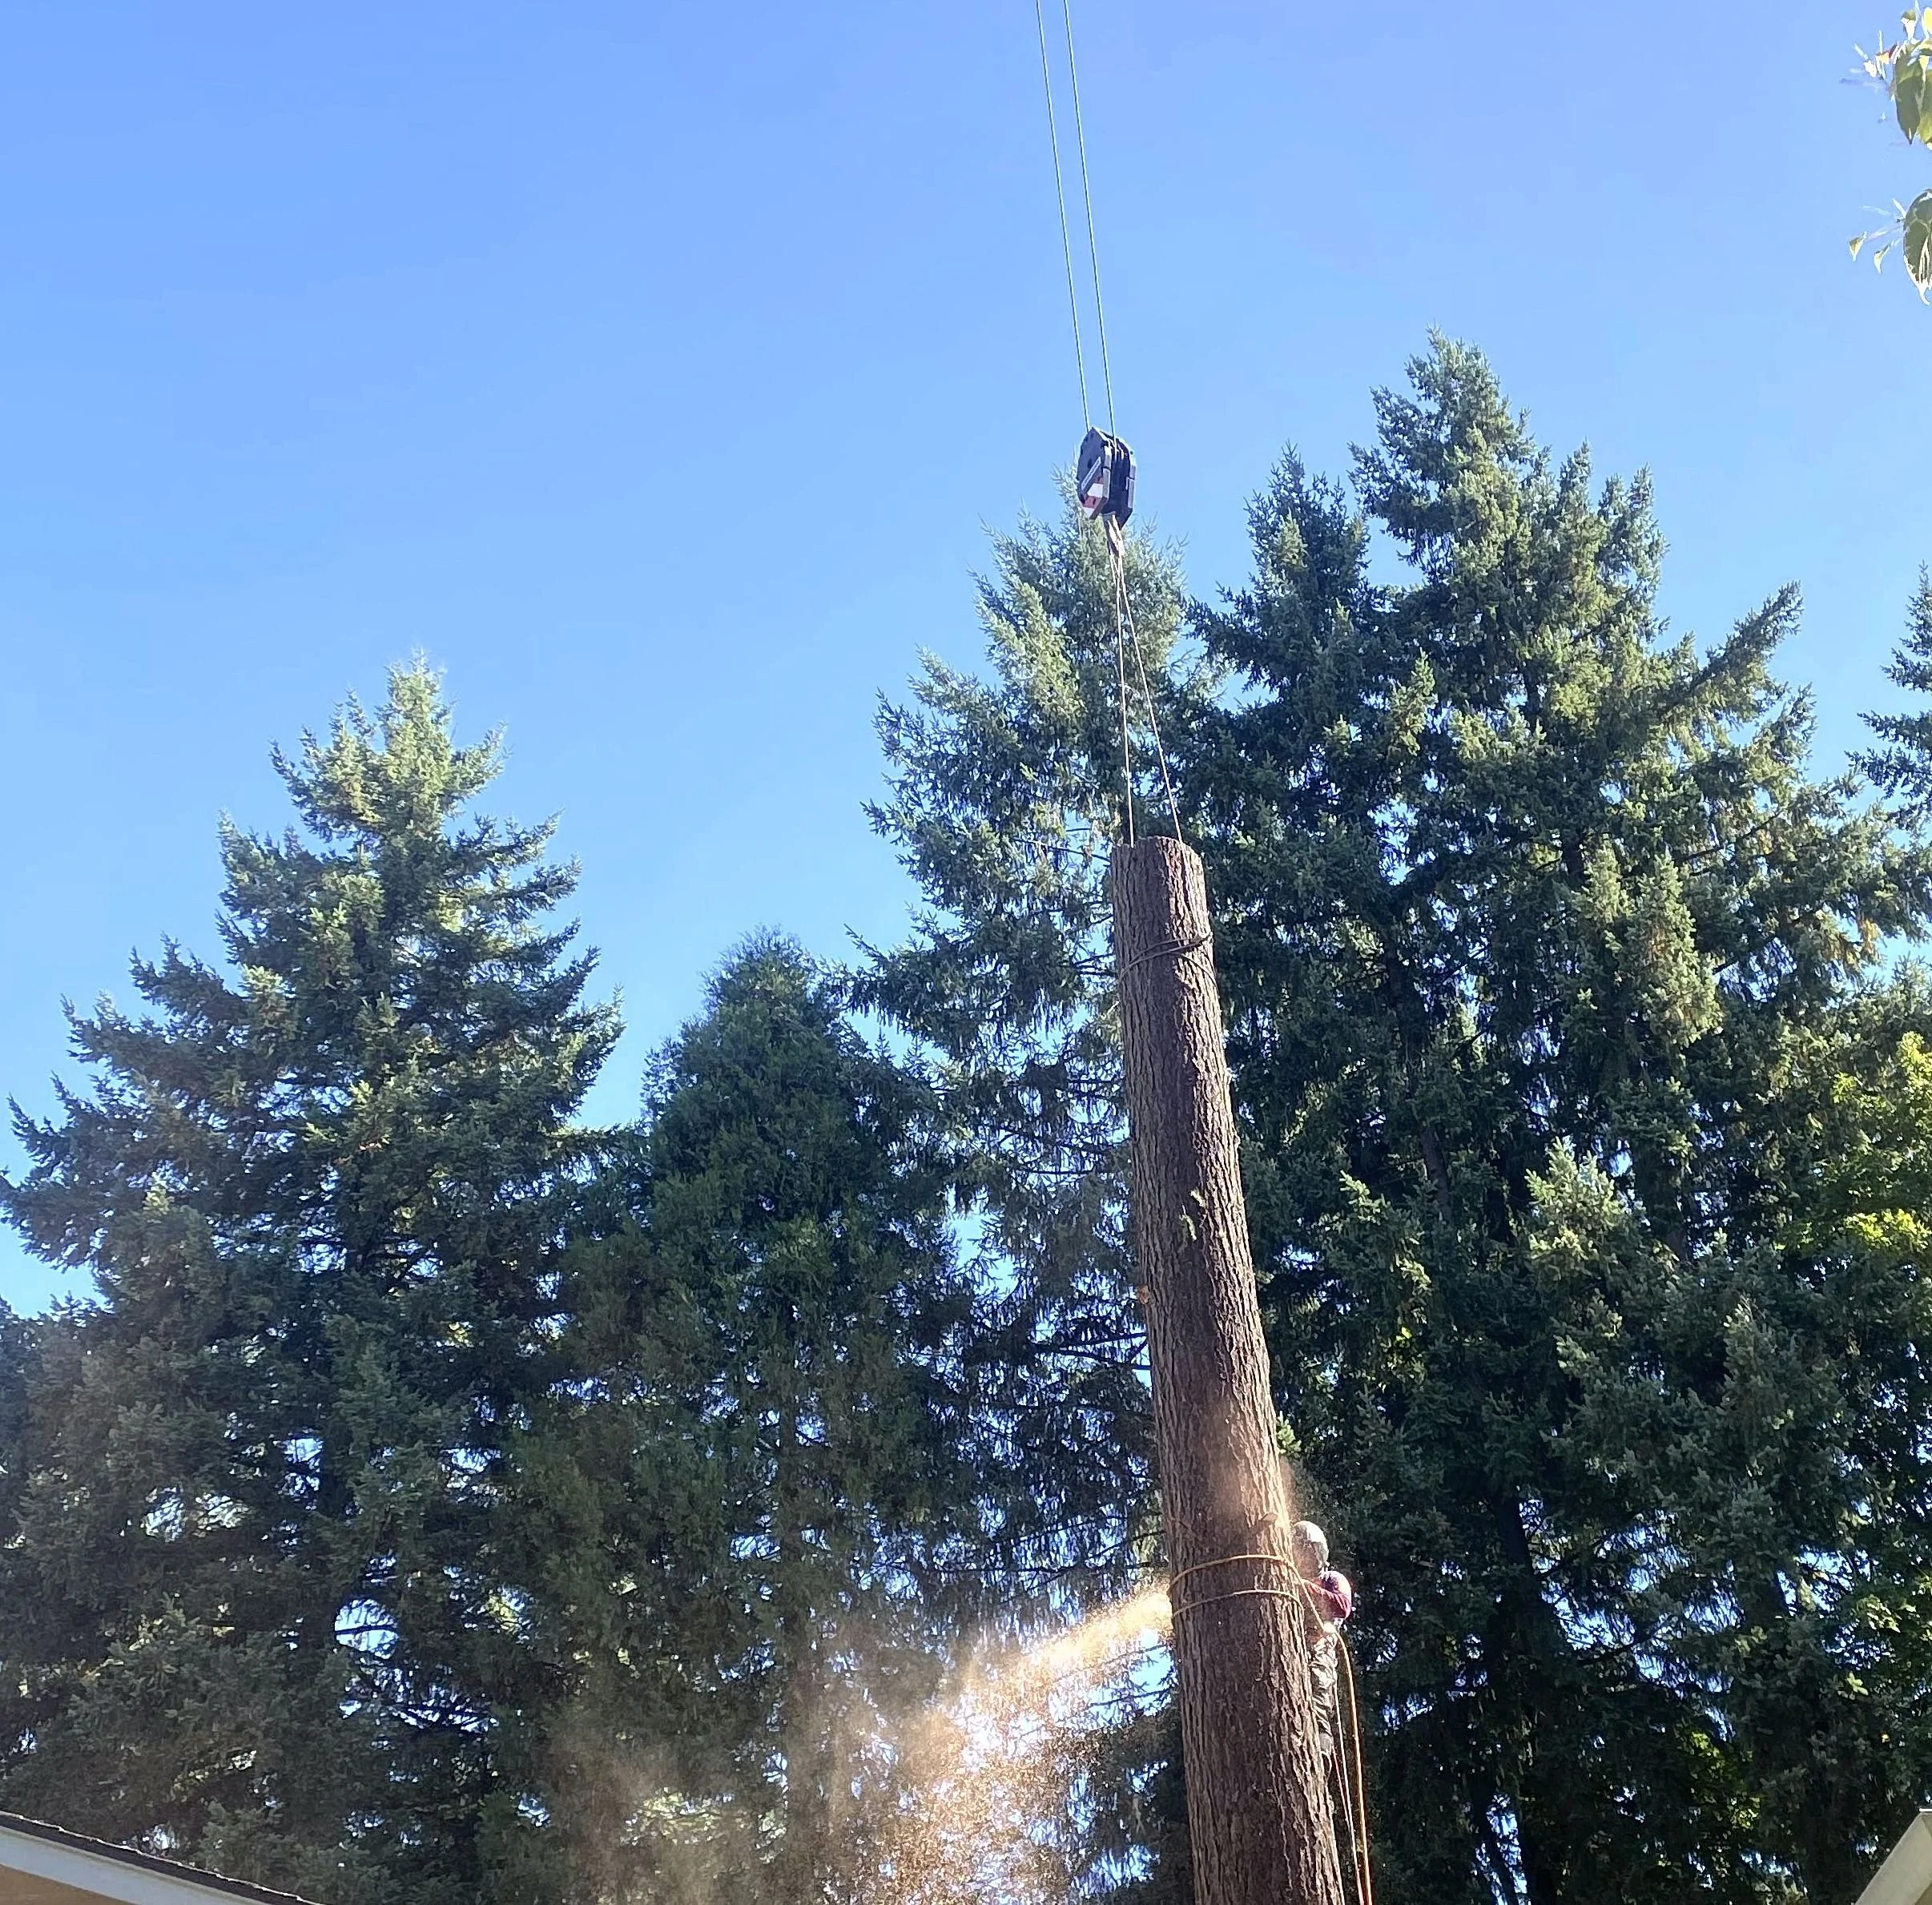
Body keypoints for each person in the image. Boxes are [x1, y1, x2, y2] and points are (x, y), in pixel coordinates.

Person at [1290, 1519, 1353, 1765]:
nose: (1306, 1557)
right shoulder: (1290, 1579)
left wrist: (1308, 1589)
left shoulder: (1331, 1578)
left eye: (1309, 1551)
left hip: (1320, 1648)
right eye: (1301, 1552)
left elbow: (1343, 1606)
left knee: (1318, 1698)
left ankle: (1321, 1754)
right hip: (1295, 1647)